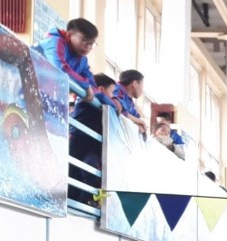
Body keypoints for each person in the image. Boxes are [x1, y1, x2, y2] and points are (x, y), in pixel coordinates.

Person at [68, 73, 118, 205]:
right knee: (72, 171)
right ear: (101, 89)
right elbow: (102, 97)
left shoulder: (100, 102)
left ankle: (84, 202)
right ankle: (73, 201)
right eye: (112, 93)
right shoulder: (89, 96)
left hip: (92, 146)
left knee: (91, 170)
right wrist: (116, 105)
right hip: (77, 140)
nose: (113, 97)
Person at [34, 18, 100, 103]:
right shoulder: (55, 41)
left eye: (91, 43)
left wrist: (89, 88)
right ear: (69, 35)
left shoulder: (82, 60)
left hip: (50, 97)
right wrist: (86, 85)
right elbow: (60, 68)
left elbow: (93, 86)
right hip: (27, 87)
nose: (88, 46)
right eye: (84, 40)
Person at [113, 70, 147, 134]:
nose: (142, 91)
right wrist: (140, 122)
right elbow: (118, 109)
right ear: (135, 84)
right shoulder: (117, 88)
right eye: (142, 86)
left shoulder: (130, 102)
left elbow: (135, 117)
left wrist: (139, 123)